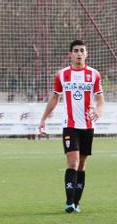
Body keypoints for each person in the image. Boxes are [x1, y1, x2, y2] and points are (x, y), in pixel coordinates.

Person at [39, 39, 104, 213]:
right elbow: (54, 98)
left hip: (88, 126)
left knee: (82, 165)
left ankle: (76, 202)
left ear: (86, 54)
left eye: (82, 50)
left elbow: (100, 100)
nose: (79, 53)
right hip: (70, 126)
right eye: (75, 50)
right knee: (73, 162)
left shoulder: (94, 74)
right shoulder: (62, 75)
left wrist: (98, 111)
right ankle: (69, 202)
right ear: (70, 54)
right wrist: (43, 119)